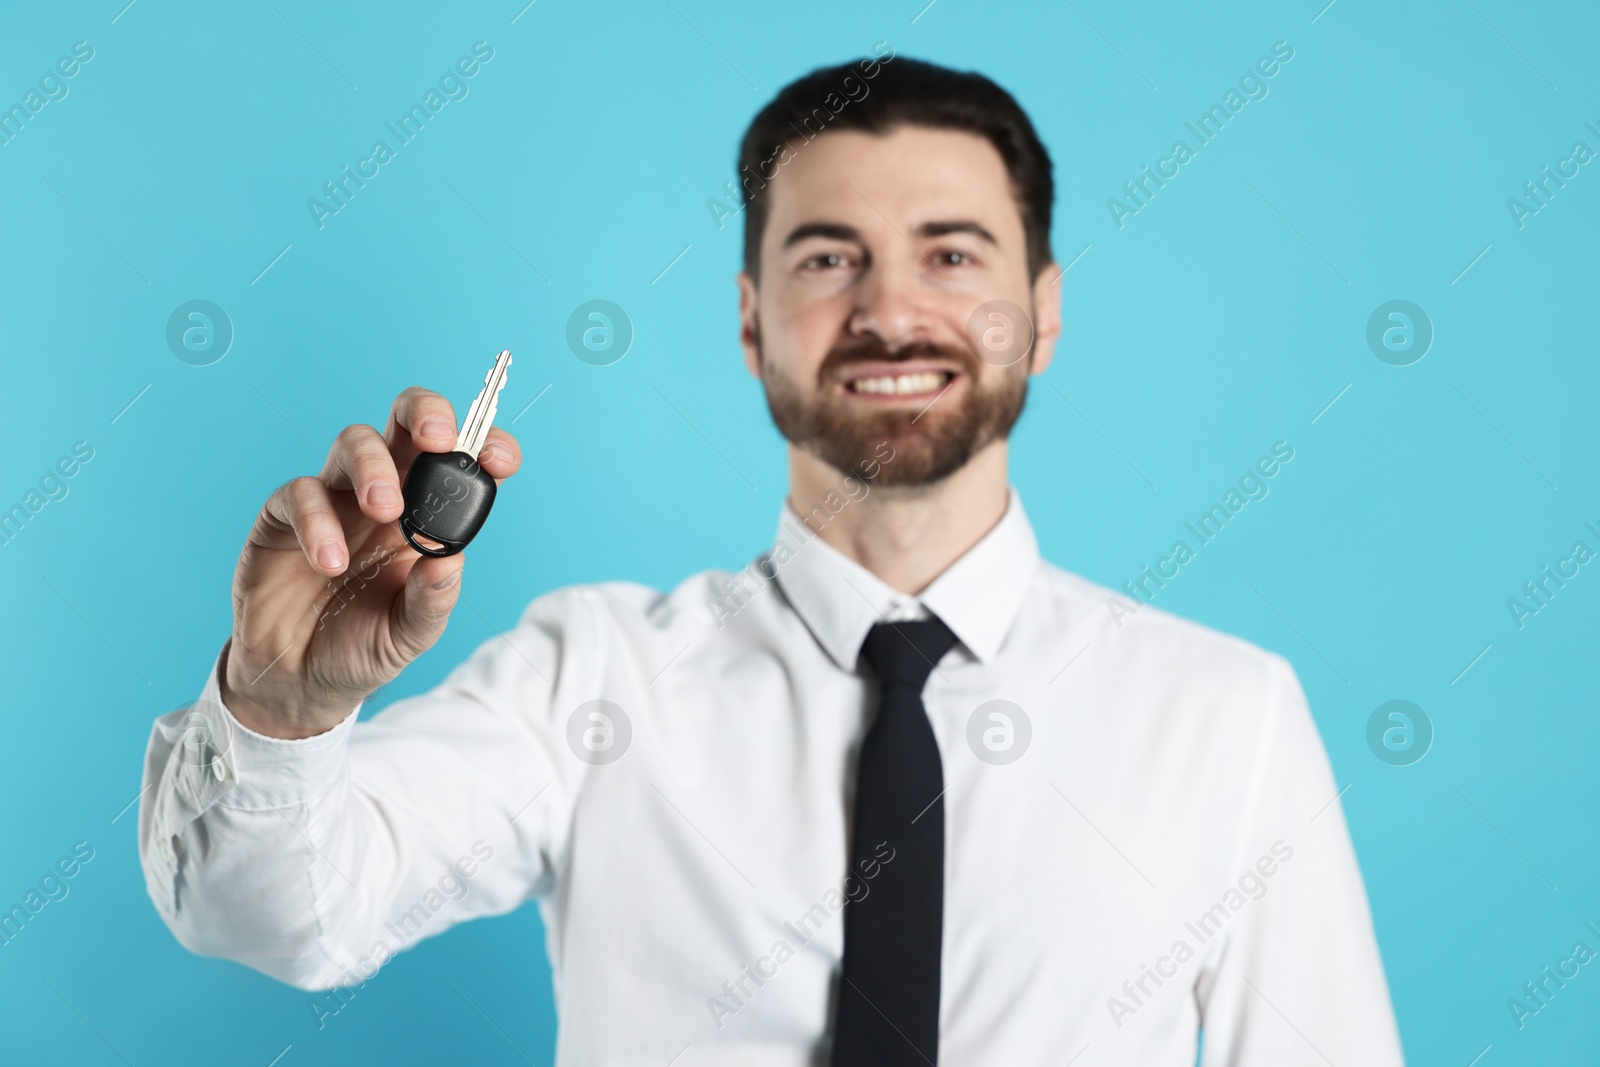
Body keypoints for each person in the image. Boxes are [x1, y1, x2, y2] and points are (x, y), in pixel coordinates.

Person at [139, 53, 1405, 1066]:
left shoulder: (1225, 716)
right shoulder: (592, 678)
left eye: (953, 254)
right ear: (750, 319)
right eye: (826, 256)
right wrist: (280, 711)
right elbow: (275, 916)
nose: (890, 309)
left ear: (1047, 312)